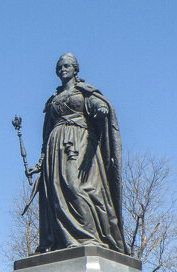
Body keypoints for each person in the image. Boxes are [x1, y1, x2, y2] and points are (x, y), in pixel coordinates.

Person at [27, 52, 125, 254]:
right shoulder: (53, 99)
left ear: (75, 69)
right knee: (55, 192)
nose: (63, 70)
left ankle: (88, 237)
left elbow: (98, 103)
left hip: (80, 143)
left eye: (66, 66)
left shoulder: (84, 92)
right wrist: (40, 163)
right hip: (56, 147)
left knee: (76, 186)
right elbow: (46, 134)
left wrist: (101, 109)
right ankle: (64, 240)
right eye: (60, 67)